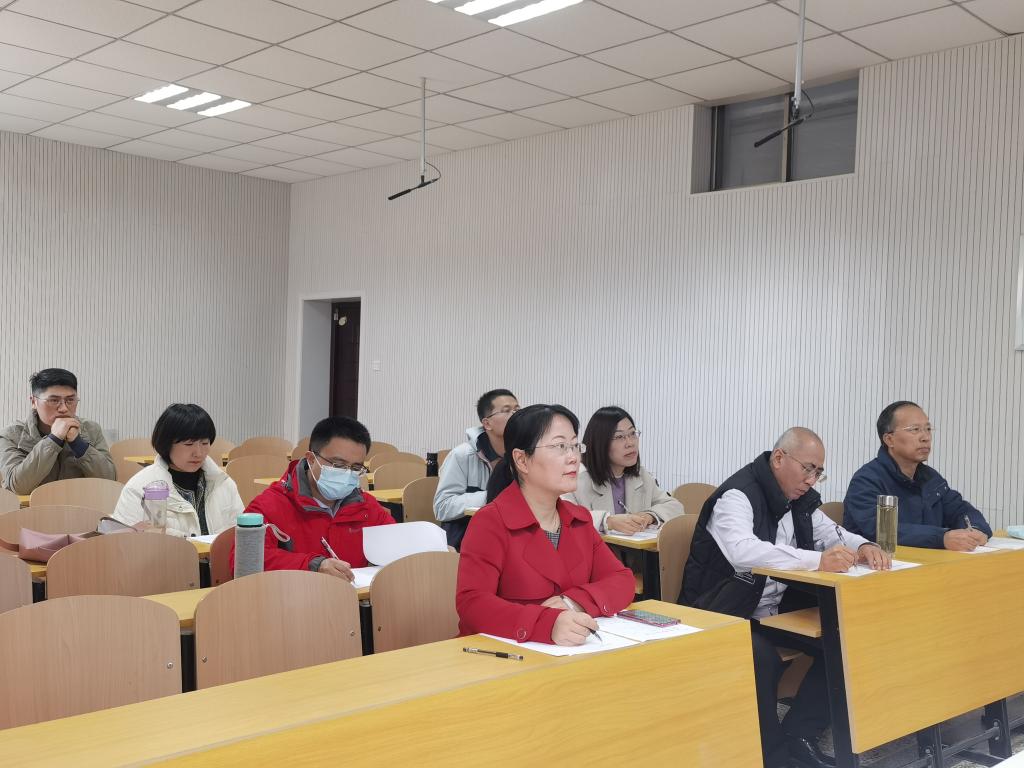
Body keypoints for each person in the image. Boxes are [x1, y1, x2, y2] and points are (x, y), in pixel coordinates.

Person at [680, 428, 890, 768]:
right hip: (721, 610)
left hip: (768, 608)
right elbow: (743, 552)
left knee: (843, 640)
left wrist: (863, 545)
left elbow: (833, 533)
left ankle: (800, 734)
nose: (812, 479)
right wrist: (817, 560)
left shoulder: (799, 501)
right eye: (807, 468)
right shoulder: (737, 495)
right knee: (761, 658)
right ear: (779, 458)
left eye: (818, 472)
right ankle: (772, 758)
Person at [456, 404, 635, 646]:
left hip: (572, 653)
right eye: (560, 446)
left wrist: (573, 602)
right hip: (505, 655)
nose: (573, 457)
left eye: (575, 446)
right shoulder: (490, 522)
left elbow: (622, 580)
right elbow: (473, 604)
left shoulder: (578, 519)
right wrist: (547, 624)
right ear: (522, 460)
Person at [240, 415, 395, 582]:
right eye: (338, 465)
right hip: (294, 596)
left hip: (352, 596)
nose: (347, 473)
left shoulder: (367, 506)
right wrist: (313, 565)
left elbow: (397, 549)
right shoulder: (270, 505)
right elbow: (246, 562)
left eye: (356, 468)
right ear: (311, 459)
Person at [844, 401, 991, 551]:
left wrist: (975, 529)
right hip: (884, 562)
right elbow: (879, 530)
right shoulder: (866, 480)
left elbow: (961, 510)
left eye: (928, 429)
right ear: (889, 439)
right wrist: (941, 538)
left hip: (928, 561)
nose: (926, 437)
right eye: (915, 429)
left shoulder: (930, 478)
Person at [111, 404, 242, 537]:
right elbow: (125, 543)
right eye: (188, 444)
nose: (198, 453)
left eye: (204, 443)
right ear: (167, 444)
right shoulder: (140, 487)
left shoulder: (223, 482)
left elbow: (240, 533)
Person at [566, 406, 683, 534]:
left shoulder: (641, 476)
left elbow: (675, 507)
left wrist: (649, 516)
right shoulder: (575, 478)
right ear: (600, 443)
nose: (630, 443)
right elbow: (562, 517)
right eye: (620, 437)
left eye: (632, 434)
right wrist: (607, 521)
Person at [0, 368, 114, 494]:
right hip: (32, 506)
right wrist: (54, 439)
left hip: (78, 504)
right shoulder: (11, 435)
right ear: (34, 402)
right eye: (54, 401)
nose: (64, 408)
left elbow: (109, 481)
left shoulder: (91, 429)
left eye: (70, 400)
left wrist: (78, 443)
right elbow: (18, 487)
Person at [434, 388, 518, 548]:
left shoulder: (524, 454)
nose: (515, 415)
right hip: (468, 537)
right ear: (487, 423)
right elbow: (442, 507)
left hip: (510, 535)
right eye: (507, 410)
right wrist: (493, 496)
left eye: (517, 409)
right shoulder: (462, 455)